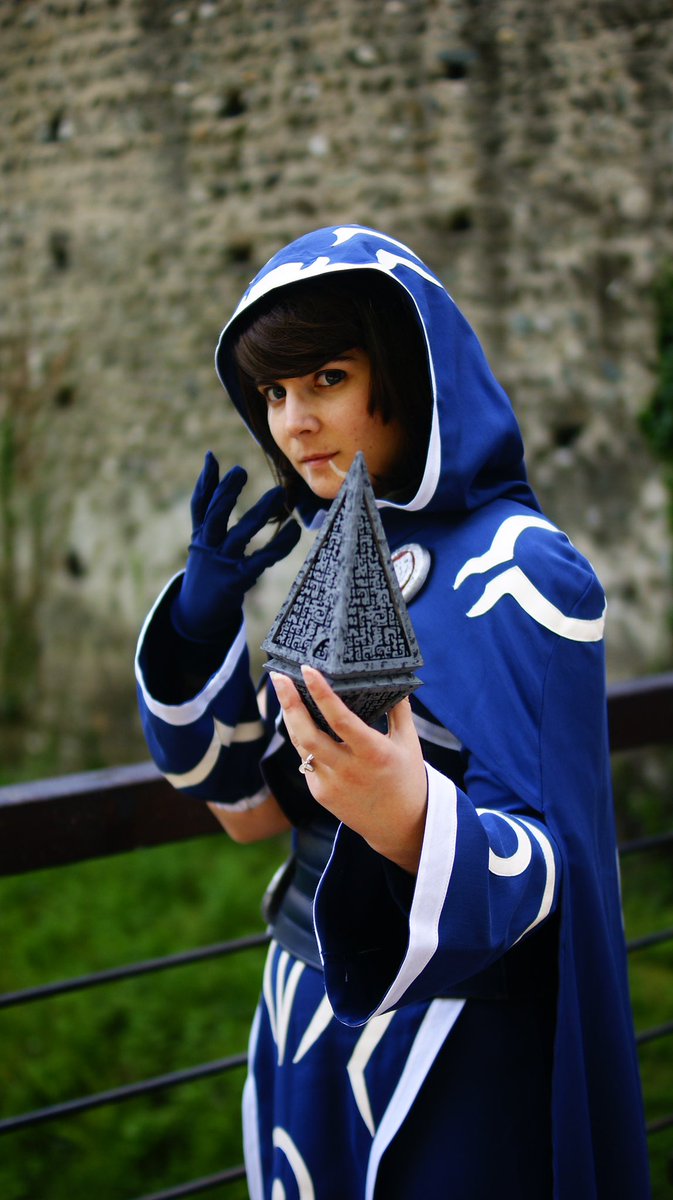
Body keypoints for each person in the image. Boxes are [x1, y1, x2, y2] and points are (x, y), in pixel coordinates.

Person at [135, 225, 650, 1199]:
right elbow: (249, 811)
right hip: (302, 1011)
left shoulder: (521, 569)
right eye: (272, 394)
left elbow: (554, 868)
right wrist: (197, 629)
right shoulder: (338, 554)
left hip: (452, 1046)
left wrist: (408, 818)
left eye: (325, 378)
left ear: (408, 373)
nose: (293, 423)